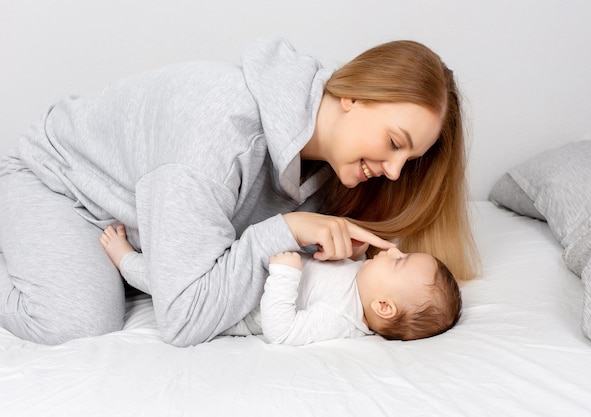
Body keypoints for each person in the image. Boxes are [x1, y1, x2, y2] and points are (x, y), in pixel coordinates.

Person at [0, 36, 478, 347]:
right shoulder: (220, 135)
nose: (395, 172)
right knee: (77, 322)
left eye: (407, 161)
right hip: (57, 184)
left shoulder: (328, 166)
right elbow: (183, 318)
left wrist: (313, 243)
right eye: (395, 144)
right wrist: (285, 231)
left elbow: (235, 250)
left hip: (132, 215)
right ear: (351, 96)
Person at [99, 225, 461, 345]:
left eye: (400, 261)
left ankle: (127, 262)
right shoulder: (361, 280)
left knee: (174, 284)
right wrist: (352, 253)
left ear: (384, 306)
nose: (394, 248)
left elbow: (281, 332)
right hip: (249, 269)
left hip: (235, 306)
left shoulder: (341, 318)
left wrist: (287, 276)